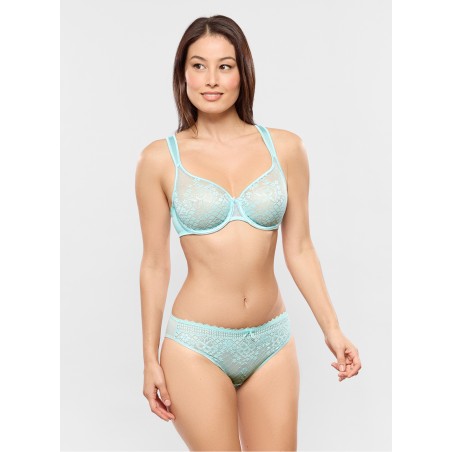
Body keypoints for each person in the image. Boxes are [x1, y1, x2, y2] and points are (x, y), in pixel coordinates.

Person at [135, 14, 362, 452]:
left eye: (225, 66)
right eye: (198, 65)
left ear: (243, 72)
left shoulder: (286, 148)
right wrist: (149, 359)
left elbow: (300, 247)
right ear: (183, 75)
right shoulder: (159, 160)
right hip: (196, 346)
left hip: (272, 342)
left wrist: (332, 329)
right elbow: (155, 264)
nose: (211, 79)